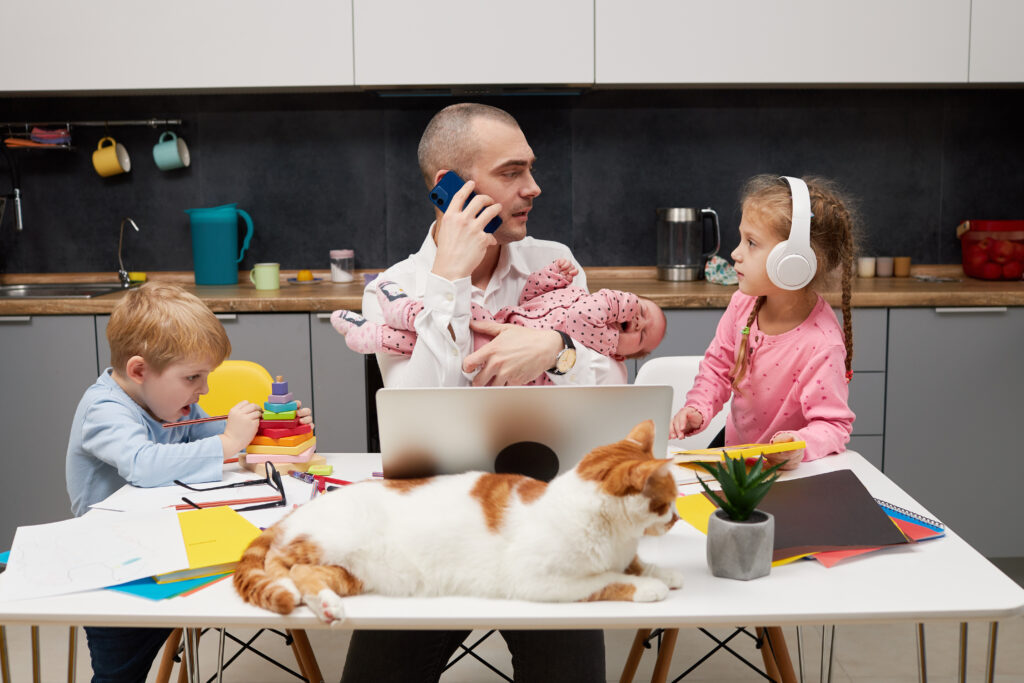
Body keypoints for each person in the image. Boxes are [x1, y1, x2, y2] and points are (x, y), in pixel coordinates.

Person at [341, 103, 614, 682]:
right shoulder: (395, 289)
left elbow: (610, 394)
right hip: (432, 528)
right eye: (511, 173)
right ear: (449, 187)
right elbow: (416, 412)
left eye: (530, 170)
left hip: (544, 519)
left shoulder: (557, 266)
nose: (533, 188)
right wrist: (448, 283)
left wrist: (556, 348)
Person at [65, 282, 310, 683]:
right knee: (118, 675)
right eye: (193, 377)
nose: (204, 389)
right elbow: (144, 464)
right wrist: (229, 442)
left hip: (168, 550)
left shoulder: (165, 400)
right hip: (117, 571)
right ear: (139, 371)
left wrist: (270, 428)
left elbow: (201, 432)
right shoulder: (104, 410)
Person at [671, 174, 857, 470]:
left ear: (794, 262)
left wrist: (796, 444)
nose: (735, 253)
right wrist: (698, 408)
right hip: (737, 453)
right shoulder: (743, 303)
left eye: (751, 243)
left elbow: (833, 425)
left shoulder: (822, 343)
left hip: (786, 472)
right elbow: (718, 368)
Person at [332, 258, 667, 376]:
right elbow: (532, 298)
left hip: (498, 338)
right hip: (507, 321)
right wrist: (552, 276)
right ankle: (372, 334)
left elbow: (584, 315)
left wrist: (625, 304)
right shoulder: (578, 292)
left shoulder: (602, 336)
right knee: (424, 341)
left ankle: (400, 312)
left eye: (641, 334)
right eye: (643, 312)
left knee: (455, 323)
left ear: (622, 354)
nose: (638, 322)